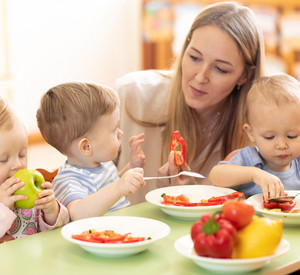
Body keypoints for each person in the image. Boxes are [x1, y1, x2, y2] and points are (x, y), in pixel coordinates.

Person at [114, 1, 265, 204]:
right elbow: (82, 186)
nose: (201, 77)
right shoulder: (130, 94)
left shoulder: (263, 132)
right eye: (194, 57)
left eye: (220, 69)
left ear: (246, 75)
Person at [36, 82, 145, 221]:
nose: (120, 133)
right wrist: (119, 187)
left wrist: (132, 169)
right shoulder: (68, 180)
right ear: (86, 147)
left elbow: (111, 193)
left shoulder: (103, 165)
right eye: (114, 129)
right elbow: (76, 214)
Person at [209, 73, 300, 200]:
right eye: (270, 137)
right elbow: (215, 175)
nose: (282, 145)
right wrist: (253, 174)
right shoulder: (250, 159)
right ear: (251, 133)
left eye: (292, 136)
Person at [0, 97, 69, 243]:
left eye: (22, 154)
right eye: (3, 160)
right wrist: (2, 209)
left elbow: (57, 232)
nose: (18, 165)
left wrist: (50, 211)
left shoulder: (30, 193)